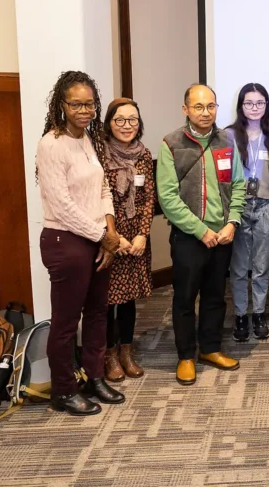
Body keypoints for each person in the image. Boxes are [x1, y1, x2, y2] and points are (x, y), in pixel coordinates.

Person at [36, 70, 125, 416]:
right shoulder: (52, 144)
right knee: (66, 321)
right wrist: (105, 237)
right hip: (66, 241)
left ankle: (94, 376)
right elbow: (62, 206)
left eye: (89, 104)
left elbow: (102, 189)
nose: (84, 110)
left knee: (98, 313)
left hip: (97, 238)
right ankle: (63, 390)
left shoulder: (90, 139)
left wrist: (110, 231)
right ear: (62, 104)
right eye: (76, 104)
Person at [158, 84, 245, 386]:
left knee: (215, 297)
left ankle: (210, 348)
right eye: (198, 106)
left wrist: (232, 222)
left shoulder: (227, 142)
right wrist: (200, 230)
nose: (205, 112)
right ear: (185, 110)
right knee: (185, 298)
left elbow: (239, 186)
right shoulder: (171, 143)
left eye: (211, 106)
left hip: (222, 236)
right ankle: (185, 356)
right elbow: (168, 198)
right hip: (189, 237)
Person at [101, 98, 155, 382]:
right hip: (108, 237)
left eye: (132, 119)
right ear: (109, 123)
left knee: (129, 300)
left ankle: (127, 352)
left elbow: (148, 199)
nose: (126, 126)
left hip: (136, 240)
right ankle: (109, 355)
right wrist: (112, 237)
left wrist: (142, 234)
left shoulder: (143, 154)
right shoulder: (99, 154)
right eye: (119, 120)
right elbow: (96, 198)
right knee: (108, 300)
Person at [226, 83, 269, 342]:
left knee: (261, 266)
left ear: (266, 106)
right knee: (238, 267)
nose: (254, 108)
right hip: (238, 207)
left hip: (266, 205)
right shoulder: (227, 135)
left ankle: (258, 312)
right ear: (241, 106)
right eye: (249, 103)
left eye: (260, 103)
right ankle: (240, 314)